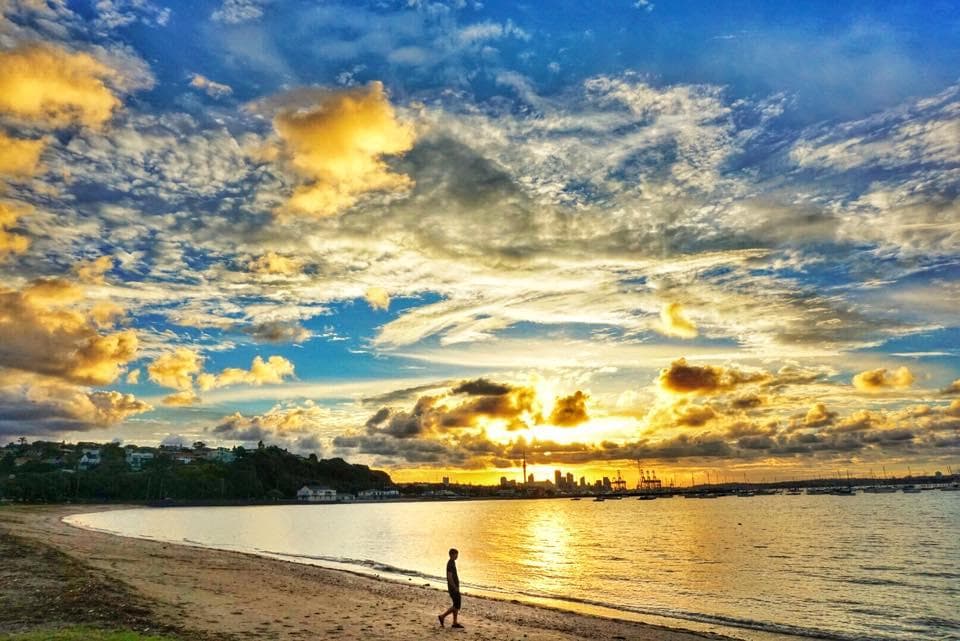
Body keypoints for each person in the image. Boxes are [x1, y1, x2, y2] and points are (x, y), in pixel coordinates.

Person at [438, 548, 463, 629]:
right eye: (456, 554)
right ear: (452, 554)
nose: (457, 556)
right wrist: (455, 587)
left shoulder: (452, 562)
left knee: (455, 605)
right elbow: (449, 577)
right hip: (453, 588)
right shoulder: (450, 564)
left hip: (454, 587)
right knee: (456, 605)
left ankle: (454, 622)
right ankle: (442, 616)